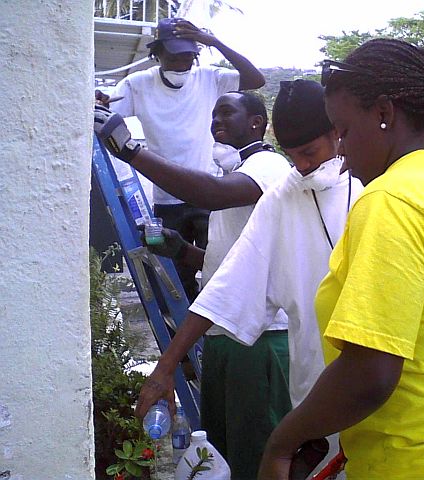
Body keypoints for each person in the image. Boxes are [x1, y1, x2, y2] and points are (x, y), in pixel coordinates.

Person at [258, 39, 424, 479]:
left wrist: (281, 444)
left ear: (384, 113)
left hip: (421, 463)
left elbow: (371, 373)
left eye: (343, 131)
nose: (340, 155)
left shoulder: (392, 200)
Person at [132, 79, 363, 478]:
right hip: (313, 386)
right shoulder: (284, 193)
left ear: (336, 134)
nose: (303, 166)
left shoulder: (367, 190)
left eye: (309, 152)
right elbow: (228, 283)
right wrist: (165, 366)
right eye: (294, 156)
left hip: (372, 382)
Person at [94, 90, 292, 480]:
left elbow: (208, 194)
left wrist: (130, 150)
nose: (216, 121)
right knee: (221, 458)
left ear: (257, 122)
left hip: (256, 337)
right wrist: (184, 251)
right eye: (213, 114)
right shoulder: (234, 175)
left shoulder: (269, 166)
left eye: (227, 113)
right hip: (224, 334)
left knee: (255, 457)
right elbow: (228, 265)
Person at [96, 17, 265, 302]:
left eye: (189, 54)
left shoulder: (209, 78)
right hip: (167, 199)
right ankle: (186, 342)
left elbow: (256, 80)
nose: (183, 62)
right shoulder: (138, 84)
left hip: (208, 195)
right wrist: (100, 102)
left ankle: (215, 329)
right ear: (157, 53)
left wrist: (214, 42)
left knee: (217, 267)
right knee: (178, 277)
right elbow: (109, 112)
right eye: (175, 55)